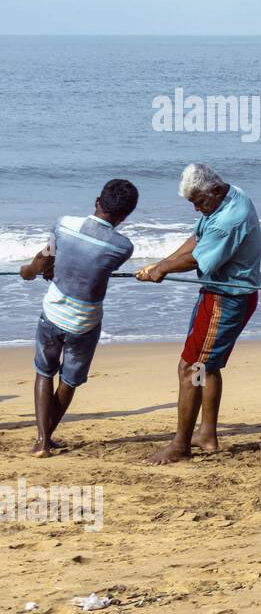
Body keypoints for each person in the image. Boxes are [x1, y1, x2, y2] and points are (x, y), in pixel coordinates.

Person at [137, 163, 261, 464]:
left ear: (216, 190)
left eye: (199, 202)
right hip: (220, 294)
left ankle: (181, 445)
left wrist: (163, 269)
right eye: (192, 202)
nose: (196, 209)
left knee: (191, 368)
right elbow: (197, 238)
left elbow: (197, 258)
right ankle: (206, 434)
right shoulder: (231, 196)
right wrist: (161, 263)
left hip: (227, 297)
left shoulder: (229, 219)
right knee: (207, 366)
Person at [19, 179, 138, 457]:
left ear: (98, 201)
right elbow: (92, 268)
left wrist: (29, 271)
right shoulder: (123, 247)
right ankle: (47, 437)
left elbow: (43, 260)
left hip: (53, 314)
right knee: (69, 381)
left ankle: (41, 439)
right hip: (85, 322)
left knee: (44, 371)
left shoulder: (64, 225)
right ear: (125, 216)